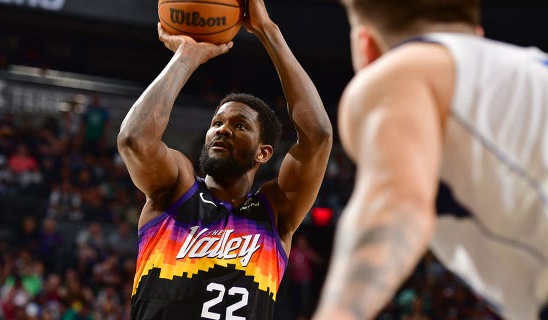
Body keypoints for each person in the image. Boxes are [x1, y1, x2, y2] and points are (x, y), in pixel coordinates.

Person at [312, 1, 548, 320]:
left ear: (365, 46)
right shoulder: (526, 68)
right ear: (477, 35)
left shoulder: (400, 73)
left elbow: (395, 205)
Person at [116, 0, 333, 318]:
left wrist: (267, 30)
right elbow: (134, 140)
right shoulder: (176, 189)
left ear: (264, 152)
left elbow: (319, 137)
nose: (223, 130)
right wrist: (187, 57)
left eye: (239, 125)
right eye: (216, 123)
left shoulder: (275, 212)